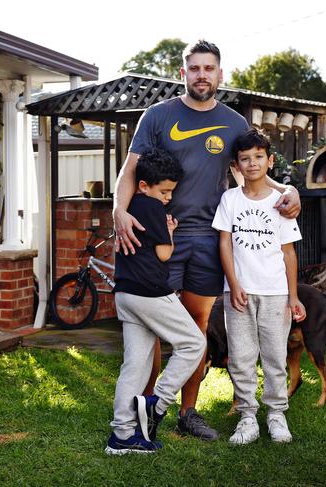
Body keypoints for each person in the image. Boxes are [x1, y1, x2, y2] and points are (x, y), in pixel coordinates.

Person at [113, 39, 301, 441]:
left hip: (209, 238)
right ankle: (147, 408)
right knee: (152, 327)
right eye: (194, 68)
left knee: (196, 327)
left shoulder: (234, 123)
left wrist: (288, 189)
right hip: (161, 234)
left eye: (209, 68)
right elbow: (130, 171)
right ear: (183, 73)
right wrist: (118, 212)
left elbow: (251, 171)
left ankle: (188, 412)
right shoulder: (157, 116)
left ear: (220, 73)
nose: (202, 75)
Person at [106, 148, 205, 455]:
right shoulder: (151, 207)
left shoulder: (131, 206)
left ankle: (122, 434)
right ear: (144, 186)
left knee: (134, 364)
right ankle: (156, 404)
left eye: (171, 192)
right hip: (150, 292)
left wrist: (165, 231)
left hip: (125, 294)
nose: (168, 198)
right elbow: (164, 254)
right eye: (164, 191)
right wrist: (170, 233)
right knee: (193, 343)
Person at [212, 128, 306, 444]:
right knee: (240, 356)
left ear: (269, 160)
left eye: (258, 157)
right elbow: (224, 244)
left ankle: (277, 415)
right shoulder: (230, 199)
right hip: (238, 291)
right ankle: (248, 417)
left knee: (275, 356)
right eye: (245, 159)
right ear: (237, 165)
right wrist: (234, 283)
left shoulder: (282, 202)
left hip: (276, 292)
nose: (252, 163)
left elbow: (289, 252)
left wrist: (294, 296)